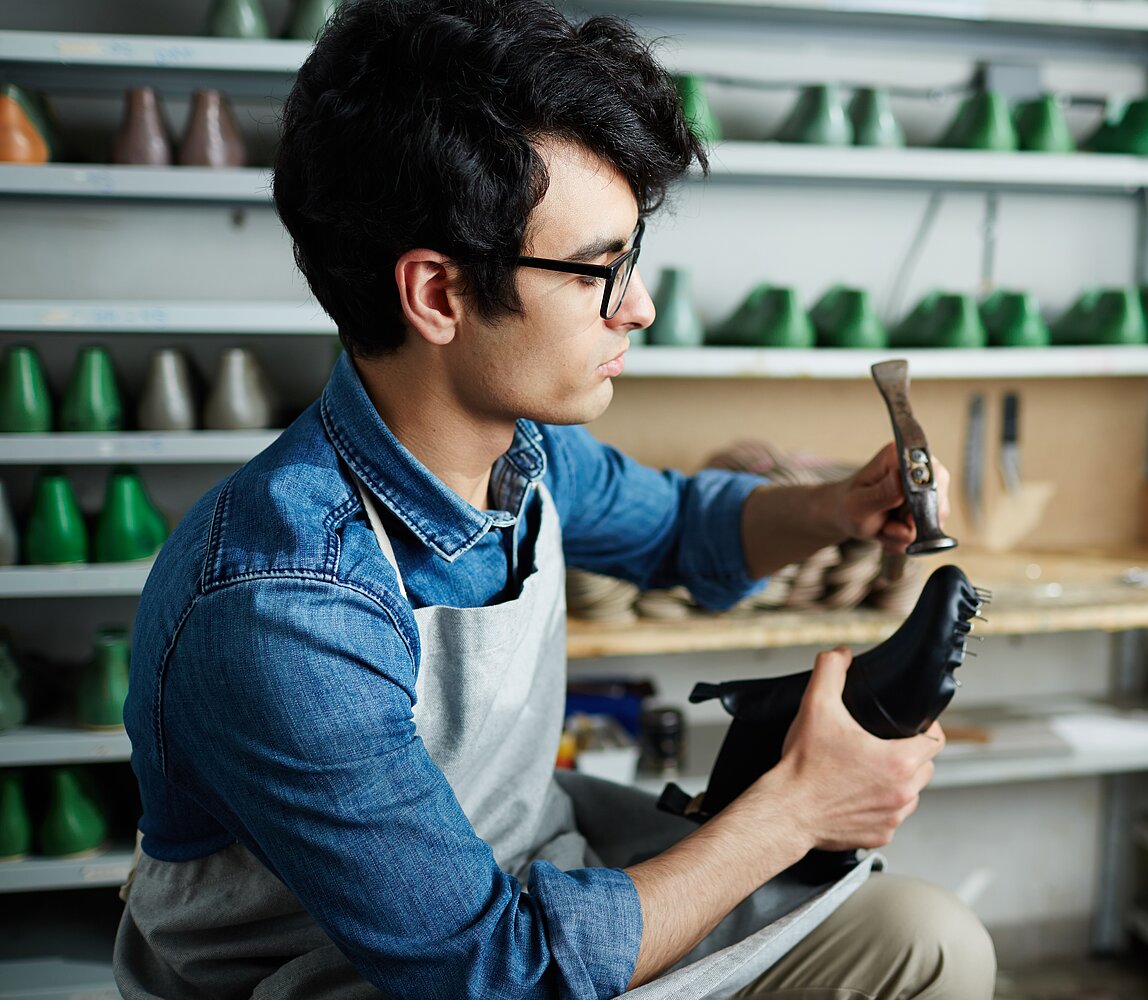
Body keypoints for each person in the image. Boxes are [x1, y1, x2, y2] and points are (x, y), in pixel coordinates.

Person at [112, 1, 997, 997]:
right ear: (438, 294)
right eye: (594, 270)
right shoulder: (283, 606)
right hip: (393, 975)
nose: (640, 304)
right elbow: (493, 971)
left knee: (924, 936)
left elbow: (678, 527)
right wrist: (797, 807)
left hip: (517, 893)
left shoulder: (519, 454)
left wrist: (838, 505)